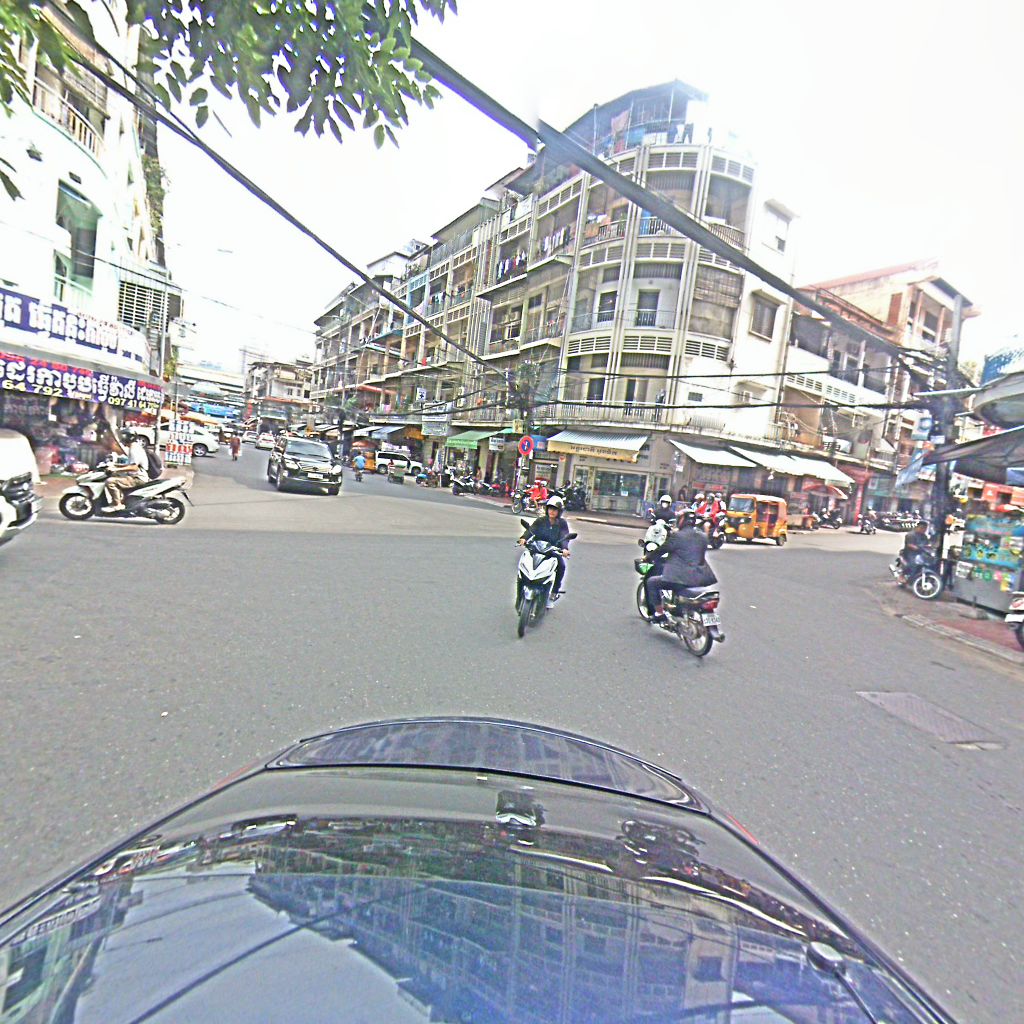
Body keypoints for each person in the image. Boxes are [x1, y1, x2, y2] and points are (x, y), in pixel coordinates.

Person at [644, 510, 718, 622]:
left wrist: (648, 557)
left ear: (682, 520)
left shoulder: (677, 536)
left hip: (680, 578)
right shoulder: (703, 537)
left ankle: (659, 613)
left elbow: (662, 549)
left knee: (652, 582)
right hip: (700, 578)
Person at [518, 495, 571, 606]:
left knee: (561, 566)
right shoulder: (541, 520)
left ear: (559, 511)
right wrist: (523, 538)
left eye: (555, 509)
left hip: (552, 551)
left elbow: (564, 537)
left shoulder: (562, 524)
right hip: (537, 548)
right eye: (550, 508)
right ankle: (521, 588)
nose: (552, 511)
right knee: (524, 563)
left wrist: (565, 549)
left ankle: (554, 592)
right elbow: (531, 530)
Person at [103, 430, 149, 512]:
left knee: (110, 482)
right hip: (135, 476)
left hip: (137, 478)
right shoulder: (134, 447)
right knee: (116, 476)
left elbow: (134, 467)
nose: (121, 439)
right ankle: (121, 499)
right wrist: (115, 466)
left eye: (123, 436)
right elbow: (131, 465)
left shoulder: (134, 449)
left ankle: (117, 504)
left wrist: (116, 469)